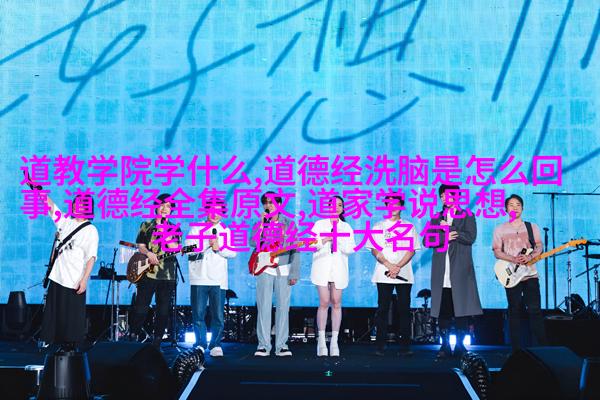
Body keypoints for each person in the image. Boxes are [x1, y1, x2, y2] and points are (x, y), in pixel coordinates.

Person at [425, 184, 482, 359]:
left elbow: (470, 237)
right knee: (443, 308)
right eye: (442, 195)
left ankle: (459, 345)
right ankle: (444, 345)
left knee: (461, 309)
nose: (445, 198)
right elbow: (427, 240)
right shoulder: (436, 217)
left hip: (460, 269)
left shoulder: (467, 215)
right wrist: (444, 237)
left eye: (449, 195)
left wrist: (449, 229)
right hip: (441, 270)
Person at [40, 192, 99, 350]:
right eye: (74, 203)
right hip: (57, 276)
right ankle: (53, 345)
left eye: (80, 204)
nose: (75, 206)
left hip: (74, 279)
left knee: (71, 318)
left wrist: (84, 280)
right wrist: (35, 186)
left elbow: (91, 257)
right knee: (54, 315)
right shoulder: (66, 222)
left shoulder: (90, 230)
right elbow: (51, 206)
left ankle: (71, 348)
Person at [367, 195, 420, 356]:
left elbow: (411, 250)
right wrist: (389, 265)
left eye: (396, 204)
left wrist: (398, 267)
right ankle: (380, 345)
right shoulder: (378, 226)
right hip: (383, 273)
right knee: (382, 309)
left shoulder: (409, 226)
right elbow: (374, 249)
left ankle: (405, 346)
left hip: (404, 273)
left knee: (404, 310)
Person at [492, 194, 547, 351]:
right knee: (514, 311)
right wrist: (513, 259)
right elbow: (497, 251)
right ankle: (516, 350)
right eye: (511, 205)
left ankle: (541, 349)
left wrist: (530, 256)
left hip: (530, 274)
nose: (515, 207)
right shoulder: (500, 229)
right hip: (511, 276)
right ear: (506, 209)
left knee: (535, 311)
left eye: (518, 204)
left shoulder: (532, 227)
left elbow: (539, 246)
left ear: (522, 208)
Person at [128, 193, 182, 348]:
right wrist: (148, 253)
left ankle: (157, 340)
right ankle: (133, 335)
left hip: (167, 275)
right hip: (147, 272)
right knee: (141, 306)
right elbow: (141, 245)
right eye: (162, 205)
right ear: (156, 207)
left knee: (163, 308)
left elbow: (175, 249)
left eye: (168, 206)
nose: (165, 209)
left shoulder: (175, 228)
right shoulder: (146, 225)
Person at [250, 191, 300, 357]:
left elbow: (295, 249)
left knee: (283, 308)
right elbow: (252, 242)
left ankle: (281, 345)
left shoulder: (289, 224)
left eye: (271, 202)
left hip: (283, 269)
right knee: (263, 307)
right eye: (265, 202)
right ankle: (263, 345)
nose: (268, 205)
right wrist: (262, 225)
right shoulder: (259, 223)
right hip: (264, 269)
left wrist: (294, 273)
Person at [186, 201, 236, 357]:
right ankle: (200, 344)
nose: (215, 214)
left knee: (218, 315)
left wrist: (219, 248)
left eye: (219, 211)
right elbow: (187, 249)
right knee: (198, 314)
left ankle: (215, 344)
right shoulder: (196, 228)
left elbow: (233, 252)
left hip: (218, 279)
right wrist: (205, 243)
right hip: (199, 278)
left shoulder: (225, 230)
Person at [310, 195, 356, 357]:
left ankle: (335, 341)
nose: (336, 207)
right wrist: (323, 240)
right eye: (333, 205)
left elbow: (351, 248)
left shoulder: (346, 227)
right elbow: (311, 244)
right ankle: (321, 341)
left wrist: (338, 239)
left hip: (338, 269)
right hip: (322, 268)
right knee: (324, 302)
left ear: (342, 209)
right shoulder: (319, 224)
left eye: (339, 205)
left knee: (336, 302)